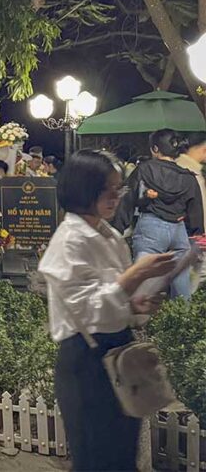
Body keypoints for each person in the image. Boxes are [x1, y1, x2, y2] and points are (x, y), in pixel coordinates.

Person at [38, 150, 178, 471]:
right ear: (83, 189)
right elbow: (88, 311)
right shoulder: (70, 241)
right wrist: (135, 275)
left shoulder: (109, 234)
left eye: (119, 189)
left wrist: (138, 305)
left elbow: (115, 302)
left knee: (121, 453)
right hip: (85, 360)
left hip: (117, 350)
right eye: (107, 190)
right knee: (95, 457)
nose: (116, 198)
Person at [126, 129, 203, 299]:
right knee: (181, 285)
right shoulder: (188, 177)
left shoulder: (144, 169)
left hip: (151, 227)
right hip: (179, 229)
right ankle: (182, 320)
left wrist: (117, 227)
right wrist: (197, 237)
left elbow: (128, 198)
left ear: (155, 149)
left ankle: (141, 323)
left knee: (143, 280)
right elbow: (195, 211)